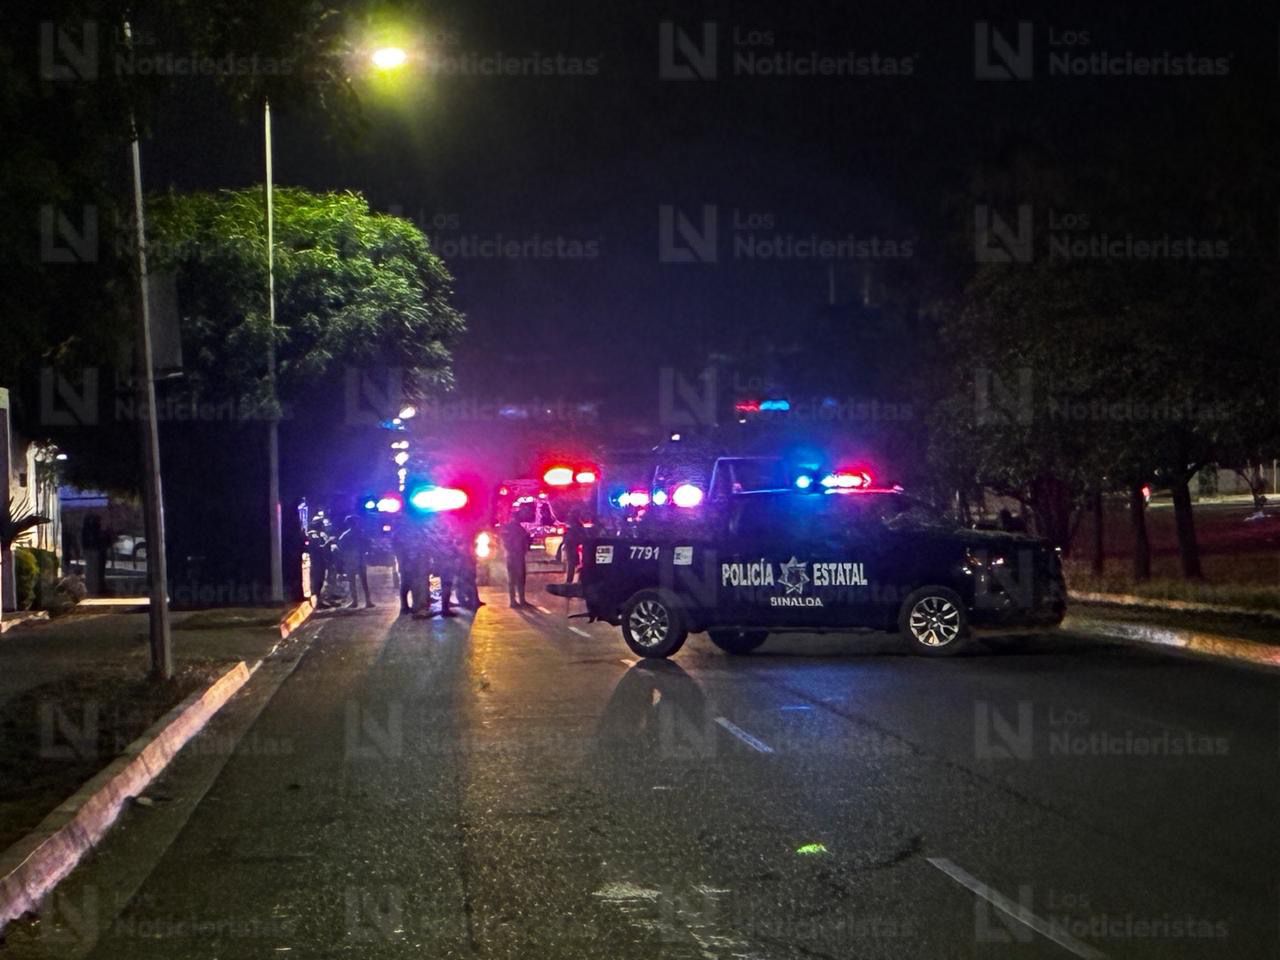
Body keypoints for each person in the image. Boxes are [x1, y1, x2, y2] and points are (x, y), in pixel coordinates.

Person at [338, 515, 375, 609]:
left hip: (351, 559)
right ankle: (368, 601)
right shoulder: (361, 533)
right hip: (360, 559)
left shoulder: (346, 535)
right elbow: (369, 544)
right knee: (364, 581)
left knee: (352, 581)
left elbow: (340, 546)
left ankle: (355, 601)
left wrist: (344, 557)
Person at [500, 515, 530, 607]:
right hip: (517, 556)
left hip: (512, 556)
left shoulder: (507, 529)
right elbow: (525, 541)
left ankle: (515, 601)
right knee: (519, 578)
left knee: (513, 579)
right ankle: (519, 600)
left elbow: (505, 542)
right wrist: (522, 550)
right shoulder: (519, 529)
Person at [562, 512, 587, 583]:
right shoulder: (578, 526)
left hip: (569, 544)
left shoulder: (569, 525)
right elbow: (583, 536)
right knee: (573, 563)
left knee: (571, 563)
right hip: (573, 544)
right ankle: (572, 580)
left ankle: (569, 580)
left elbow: (565, 535)